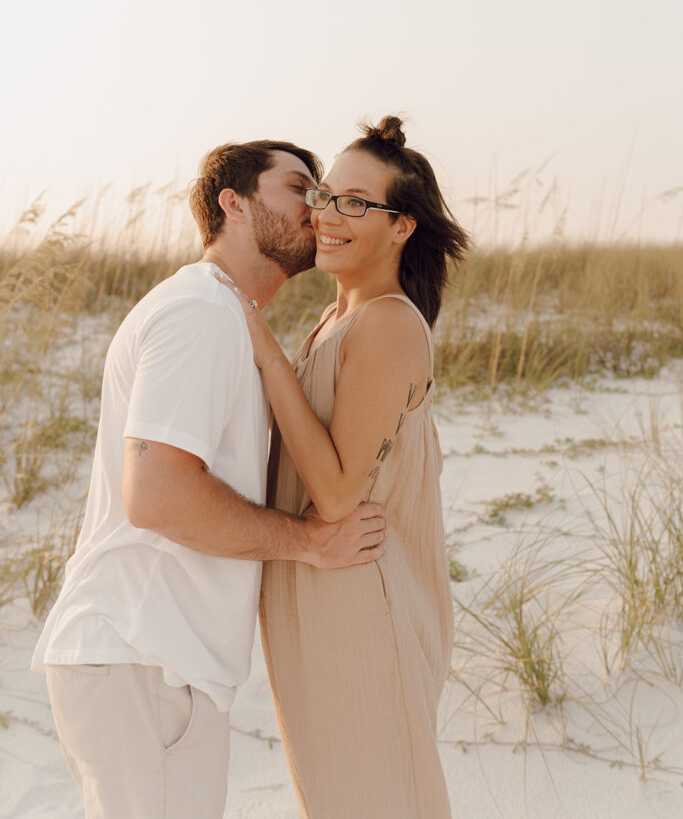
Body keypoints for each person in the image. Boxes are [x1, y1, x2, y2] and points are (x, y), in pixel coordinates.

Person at [31, 139, 386, 819]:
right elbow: (158, 495)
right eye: (296, 188)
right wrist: (309, 544)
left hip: (150, 661)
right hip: (144, 656)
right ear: (234, 203)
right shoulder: (200, 313)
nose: (316, 207)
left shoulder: (223, 315)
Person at [229, 116, 469, 818]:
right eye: (329, 195)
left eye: (357, 203)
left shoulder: (389, 322)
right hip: (317, 596)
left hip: (363, 603)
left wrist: (262, 348)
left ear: (402, 227)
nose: (328, 214)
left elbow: (334, 495)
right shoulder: (335, 321)